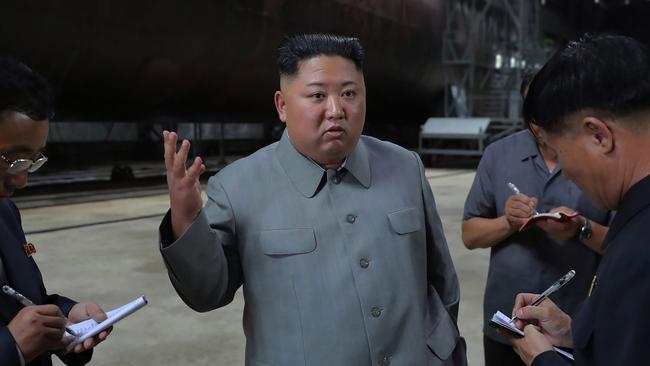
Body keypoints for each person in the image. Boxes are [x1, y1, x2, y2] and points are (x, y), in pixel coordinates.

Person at [159, 33, 467, 365]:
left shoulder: (405, 167)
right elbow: (206, 293)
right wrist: (187, 220)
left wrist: (440, 348)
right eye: (318, 95)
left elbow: (441, 280)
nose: (336, 110)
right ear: (282, 105)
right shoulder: (239, 187)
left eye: (349, 93)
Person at [505, 33, 650, 365]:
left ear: (599, 136)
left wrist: (543, 359)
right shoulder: (636, 220)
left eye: (559, 151)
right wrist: (577, 332)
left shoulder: (639, 253)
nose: (565, 172)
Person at [461, 70, 611, 366]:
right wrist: (507, 222)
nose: (543, 123)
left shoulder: (600, 158)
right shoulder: (499, 154)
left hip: (574, 325)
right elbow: (469, 234)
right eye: (535, 113)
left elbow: (625, 244)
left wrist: (580, 228)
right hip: (508, 324)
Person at [0, 58, 111, 366]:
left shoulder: (5, 213)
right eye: (12, 160)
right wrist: (11, 348)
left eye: (33, 161)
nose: (21, 180)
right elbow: (14, 336)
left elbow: (18, 303)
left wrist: (64, 316)